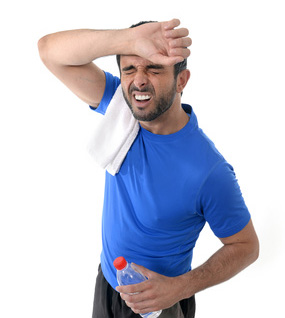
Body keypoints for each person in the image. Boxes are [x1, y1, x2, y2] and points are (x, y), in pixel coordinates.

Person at [38, 19, 259, 318]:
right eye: (129, 69)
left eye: (154, 69)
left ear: (181, 81)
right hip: (108, 282)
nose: (139, 80)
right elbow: (49, 51)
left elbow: (246, 246)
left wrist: (180, 288)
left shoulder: (209, 170)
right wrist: (127, 40)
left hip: (159, 306)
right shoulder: (122, 109)